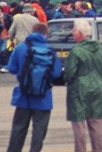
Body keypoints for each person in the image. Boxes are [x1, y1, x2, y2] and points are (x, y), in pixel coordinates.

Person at [5, 22, 63, 152]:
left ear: (32, 31)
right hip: (43, 97)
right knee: (39, 131)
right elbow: (56, 73)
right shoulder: (50, 50)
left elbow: (12, 68)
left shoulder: (20, 48)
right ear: (45, 33)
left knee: (18, 129)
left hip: (23, 95)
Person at [64, 19, 102, 152]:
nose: (72, 33)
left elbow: (69, 73)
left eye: (73, 31)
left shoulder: (76, 51)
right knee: (97, 127)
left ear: (79, 33)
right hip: (99, 91)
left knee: (79, 129)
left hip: (79, 92)